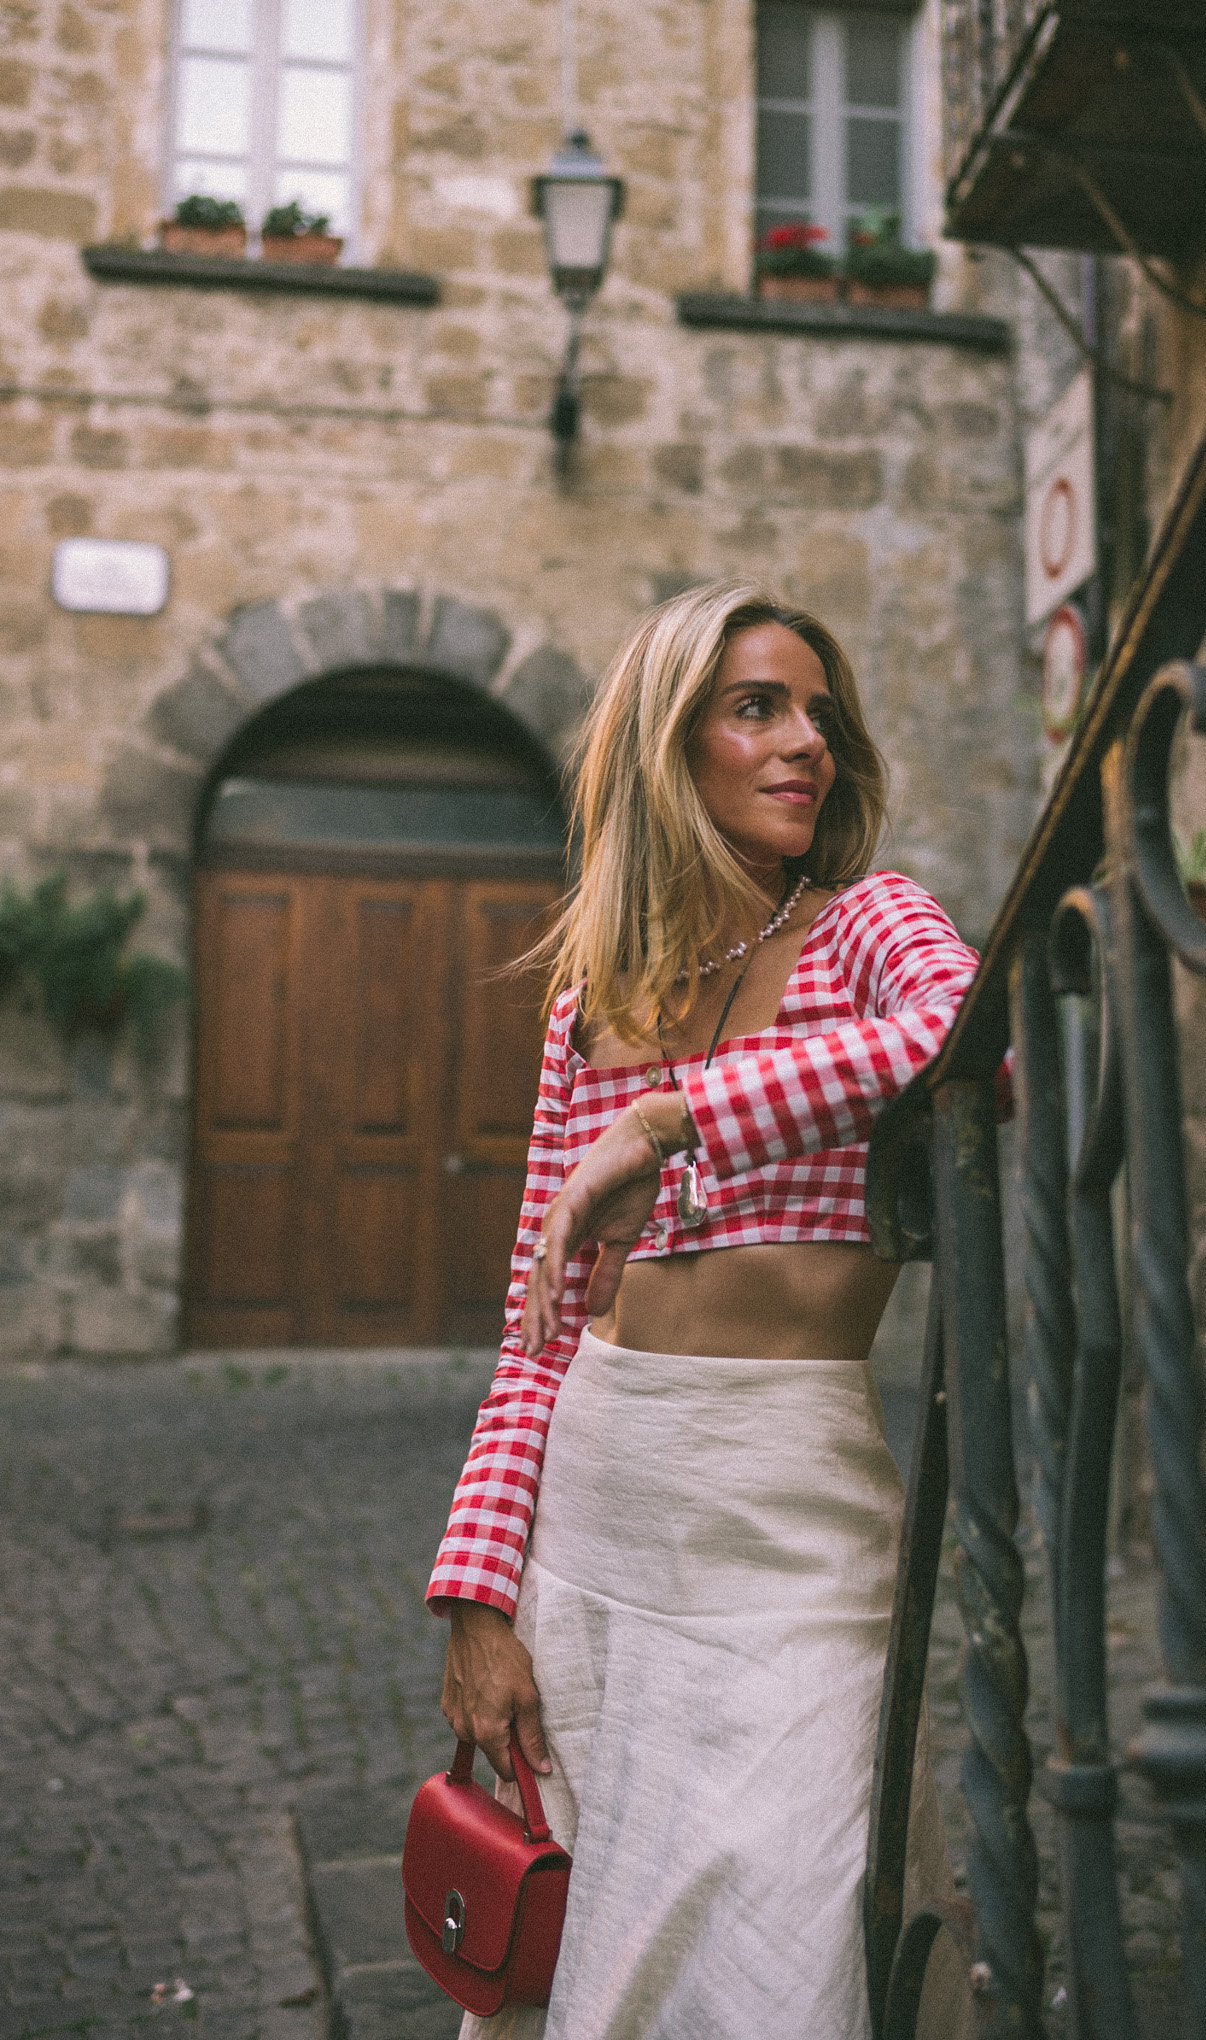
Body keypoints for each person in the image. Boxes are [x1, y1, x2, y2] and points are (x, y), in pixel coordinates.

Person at [427, 581, 979, 2039]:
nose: (808, 744)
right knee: (596, 1938)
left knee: (785, 1950)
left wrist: (671, 1119)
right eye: (758, 709)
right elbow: (533, 1332)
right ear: (669, 749)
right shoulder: (590, 1004)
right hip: (596, 1521)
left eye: (820, 716)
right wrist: (478, 1595)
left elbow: (951, 1031)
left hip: (788, 1519)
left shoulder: (869, 925)